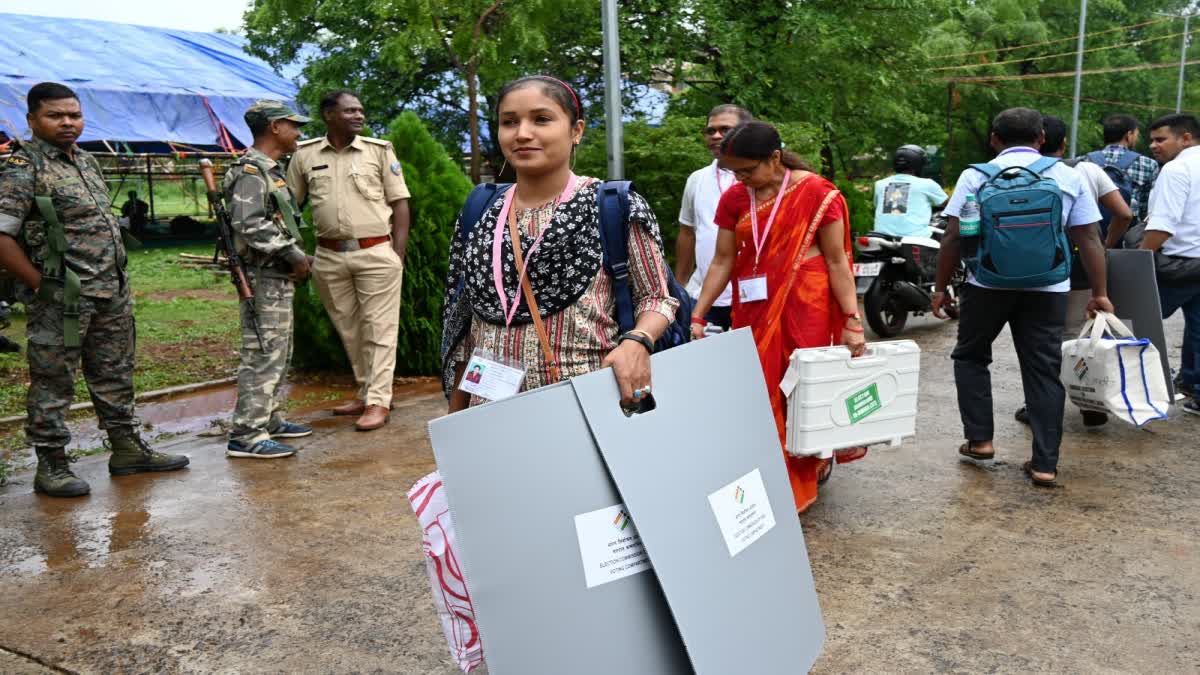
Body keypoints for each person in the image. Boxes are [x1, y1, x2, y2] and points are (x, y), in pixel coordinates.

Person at [442, 75, 677, 412]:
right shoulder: (480, 211)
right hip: (491, 410)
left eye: (541, 119)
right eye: (509, 122)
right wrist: (457, 422)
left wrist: (639, 340)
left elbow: (657, 297)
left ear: (576, 130)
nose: (522, 133)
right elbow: (465, 324)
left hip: (587, 404)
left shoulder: (611, 207)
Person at [0, 82, 189, 497]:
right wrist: (42, 287)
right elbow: (2, 236)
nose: (68, 122)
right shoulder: (22, 165)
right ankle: (51, 465)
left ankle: (126, 449)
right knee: (53, 380)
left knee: (115, 372)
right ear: (32, 119)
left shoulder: (86, 161)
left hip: (110, 290)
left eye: (74, 115)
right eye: (56, 115)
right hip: (62, 298)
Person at [689, 121, 867, 514]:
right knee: (758, 391)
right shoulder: (736, 198)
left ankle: (801, 479)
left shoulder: (818, 194)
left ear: (774, 157)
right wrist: (698, 313)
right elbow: (722, 260)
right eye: (734, 172)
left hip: (808, 305)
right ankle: (770, 476)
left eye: (748, 170)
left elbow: (837, 260)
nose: (741, 179)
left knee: (801, 389)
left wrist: (852, 321)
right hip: (753, 308)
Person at [932, 107, 1113, 488]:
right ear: (1041, 138)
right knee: (1044, 369)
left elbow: (951, 237)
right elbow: (1089, 238)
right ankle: (1045, 464)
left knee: (971, 355)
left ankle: (980, 439)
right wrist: (1100, 293)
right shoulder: (1067, 175)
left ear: (994, 140)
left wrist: (938, 288)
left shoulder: (974, 176)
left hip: (986, 285)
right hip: (1048, 289)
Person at [287, 89, 411, 431]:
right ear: (329, 115)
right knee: (350, 330)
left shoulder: (378, 151)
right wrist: (295, 249)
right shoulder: (305, 155)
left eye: (360, 110)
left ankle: (377, 402)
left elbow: (400, 202)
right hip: (328, 256)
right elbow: (289, 207)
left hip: (376, 252)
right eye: (350, 111)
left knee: (380, 330)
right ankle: (366, 389)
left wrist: (396, 254)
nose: (359, 115)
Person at [1014, 115, 1133, 429]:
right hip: (1081, 263)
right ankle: (1089, 400)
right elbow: (1124, 213)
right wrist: (1105, 245)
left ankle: (1036, 404)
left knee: (1040, 340)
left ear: (1036, 140)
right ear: (1063, 143)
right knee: (1079, 336)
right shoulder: (1087, 169)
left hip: (1036, 267)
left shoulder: (1018, 171)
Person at [223, 100, 315, 459]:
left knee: (279, 351)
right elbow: (249, 222)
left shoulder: (271, 169)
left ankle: (269, 418)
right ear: (275, 127)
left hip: (275, 274)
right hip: (263, 274)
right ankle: (246, 434)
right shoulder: (250, 170)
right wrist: (290, 253)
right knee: (263, 352)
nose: (299, 132)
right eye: (294, 125)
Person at [1138, 114, 1200, 408]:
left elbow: (1163, 224)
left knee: (1131, 320)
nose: (1153, 146)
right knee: (1199, 328)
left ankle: (1136, 385)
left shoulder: (1176, 170)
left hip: (1176, 264)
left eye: (1161, 139)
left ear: (1185, 138)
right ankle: (1194, 386)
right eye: (1151, 139)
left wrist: (1138, 260)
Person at [676, 104, 753, 332]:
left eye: (725, 129)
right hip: (704, 296)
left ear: (745, 132)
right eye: (711, 130)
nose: (716, 136)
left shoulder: (761, 180)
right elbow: (687, 233)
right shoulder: (697, 179)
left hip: (751, 294)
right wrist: (679, 287)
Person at [1086, 114, 1160, 235]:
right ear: (1129, 135)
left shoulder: (1084, 161)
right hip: (1128, 233)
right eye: (1136, 134)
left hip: (1090, 231)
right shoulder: (1149, 164)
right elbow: (1147, 208)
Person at [871, 145, 949, 238]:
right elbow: (951, 206)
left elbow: (891, 210)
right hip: (915, 239)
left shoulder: (881, 184)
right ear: (918, 164)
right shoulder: (927, 184)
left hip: (881, 236)